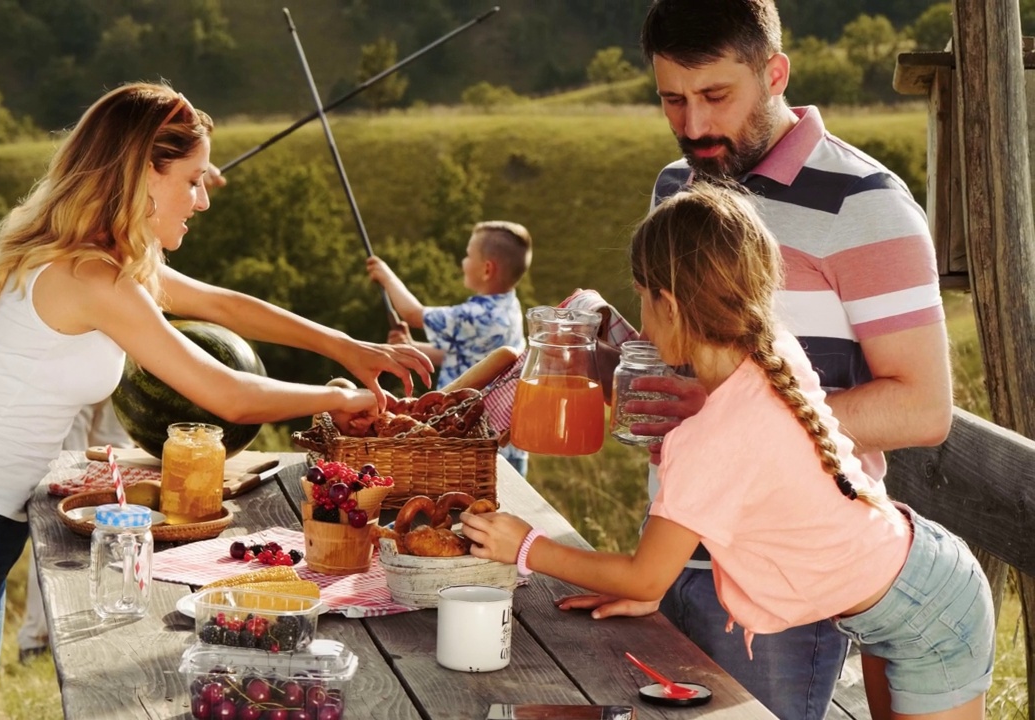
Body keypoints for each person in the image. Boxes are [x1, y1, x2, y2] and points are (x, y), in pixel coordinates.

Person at [0, 81, 433, 719]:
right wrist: (337, 397)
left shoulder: (99, 261)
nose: (202, 199)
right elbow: (227, 395)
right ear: (142, 175)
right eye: (192, 180)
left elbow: (220, 304)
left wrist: (342, 344)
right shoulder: (89, 276)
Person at [540, 2, 954, 717]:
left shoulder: (870, 205)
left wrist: (731, 419)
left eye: (715, 97)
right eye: (673, 100)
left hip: (785, 584)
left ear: (775, 74)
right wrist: (619, 357)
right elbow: (694, 358)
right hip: (669, 554)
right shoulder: (678, 185)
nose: (694, 126)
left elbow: (923, 408)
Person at [462, 183, 993, 720]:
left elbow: (643, 575)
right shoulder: (771, 354)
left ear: (667, 303)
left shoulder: (710, 436)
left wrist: (524, 543)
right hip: (913, 585)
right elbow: (730, 505)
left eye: (642, 299)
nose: (642, 322)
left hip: (930, 616)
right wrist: (652, 580)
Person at [366, 221, 530, 472]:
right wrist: (411, 346)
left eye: (467, 255)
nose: (463, 261)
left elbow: (412, 313)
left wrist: (385, 275)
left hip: (479, 445)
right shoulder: (508, 307)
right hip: (506, 443)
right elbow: (461, 355)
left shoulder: (477, 315)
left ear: (487, 269)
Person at [16, 397, 133, 664]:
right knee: (62, 508)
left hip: (119, 373)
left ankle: (103, 617)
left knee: (111, 495)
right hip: (88, 378)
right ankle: (39, 635)